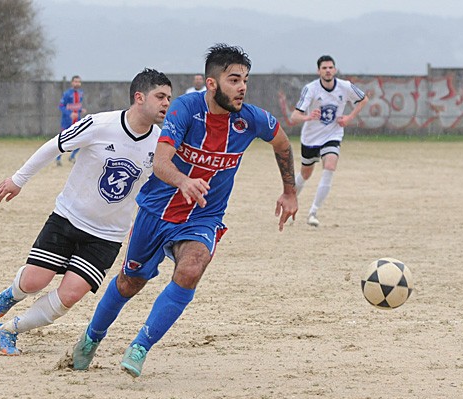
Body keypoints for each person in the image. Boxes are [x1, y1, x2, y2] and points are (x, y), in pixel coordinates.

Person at [70, 43, 298, 377]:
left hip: (203, 217)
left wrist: (289, 191)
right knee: (130, 282)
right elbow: (161, 163)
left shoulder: (251, 120)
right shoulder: (184, 110)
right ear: (211, 84)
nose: (242, 87)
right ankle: (92, 337)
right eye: (234, 80)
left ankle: (140, 346)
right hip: (156, 211)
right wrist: (184, 181)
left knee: (191, 268)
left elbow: (282, 144)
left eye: (245, 79)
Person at [0, 69, 173, 356]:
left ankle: (9, 330)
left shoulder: (161, 144)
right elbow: (54, 146)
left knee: (70, 295)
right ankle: (13, 293)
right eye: (160, 96)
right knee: (35, 281)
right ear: (139, 97)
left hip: (108, 235)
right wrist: (18, 180)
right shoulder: (100, 124)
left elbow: (162, 186)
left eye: (169, 98)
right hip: (68, 218)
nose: (166, 103)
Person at [289, 55, 368, 227]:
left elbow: (363, 99)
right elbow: (294, 116)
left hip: (333, 134)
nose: (328, 70)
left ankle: (313, 212)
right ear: (319, 71)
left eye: (330, 67)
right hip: (311, 137)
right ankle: (289, 204)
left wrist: (349, 117)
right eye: (324, 68)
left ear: (335, 70)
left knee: (330, 165)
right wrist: (308, 117)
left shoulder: (345, 86)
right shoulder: (311, 89)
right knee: (305, 174)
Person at [56, 75, 88, 166]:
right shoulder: (67, 94)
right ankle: (58, 158)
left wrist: (80, 110)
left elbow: (76, 105)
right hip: (67, 121)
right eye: (76, 81)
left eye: (79, 82)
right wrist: (69, 114)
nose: (77, 83)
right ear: (72, 82)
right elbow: (61, 106)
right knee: (64, 140)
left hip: (77, 120)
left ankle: (72, 156)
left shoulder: (81, 93)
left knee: (81, 139)